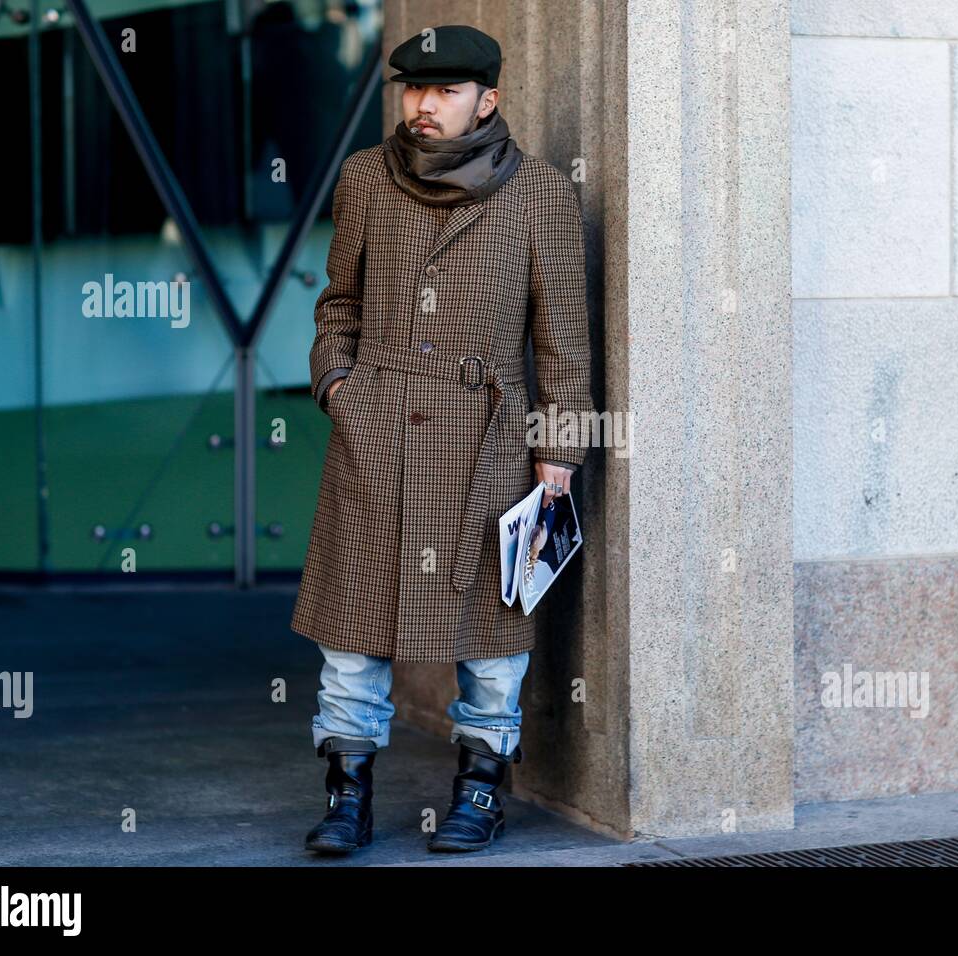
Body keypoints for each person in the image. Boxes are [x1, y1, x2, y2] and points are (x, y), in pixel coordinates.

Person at [292, 23, 594, 855]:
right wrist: (338, 387)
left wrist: (557, 454)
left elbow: (562, 339)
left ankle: (478, 794)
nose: (423, 105)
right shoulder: (364, 178)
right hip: (375, 429)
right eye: (414, 89)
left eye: (447, 91)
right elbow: (338, 306)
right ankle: (347, 798)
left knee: (491, 644)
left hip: (489, 442)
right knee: (351, 635)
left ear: (487, 99)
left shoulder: (539, 193)